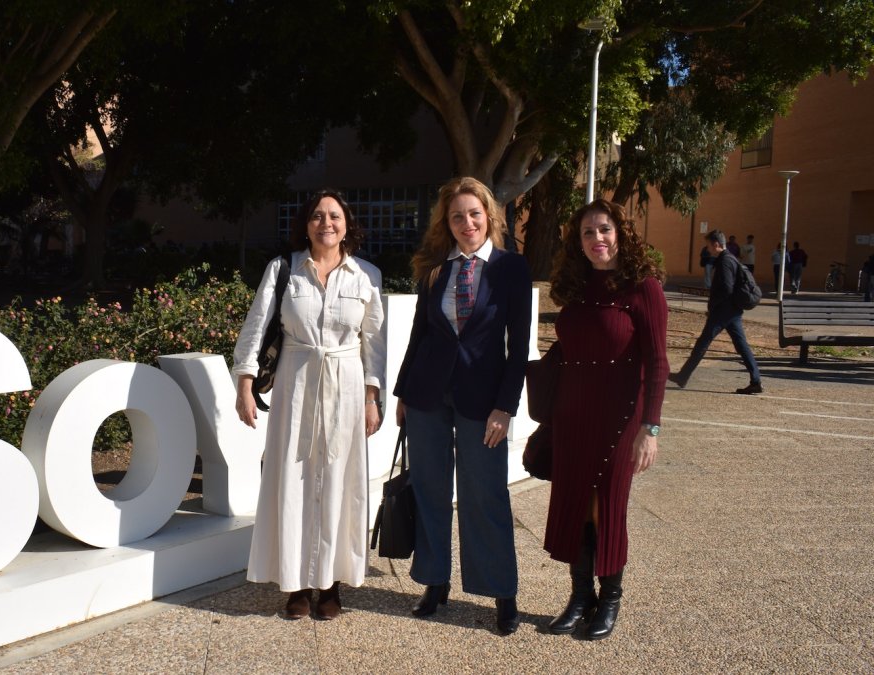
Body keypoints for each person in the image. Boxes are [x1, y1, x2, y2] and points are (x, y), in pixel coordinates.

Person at [233, 189, 386, 621]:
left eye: (334, 216)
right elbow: (256, 327)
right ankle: (297, 585)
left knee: (340, 480)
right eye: (317, 216)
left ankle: (331, 584)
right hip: (295, 384)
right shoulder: (285, 271)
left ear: (346, 223)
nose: (326, 224)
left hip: (347, 386)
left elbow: (374, 344)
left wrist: (373, 398)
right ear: (306, 225)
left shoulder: (366, 275)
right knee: (293, 478)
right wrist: (245, 385)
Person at [393, 177, 532, 635]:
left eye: (474, 214)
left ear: (489, 217)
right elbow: (420, 334)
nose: (466, 223)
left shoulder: (511, 268)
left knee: (485, 495)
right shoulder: (436, 267)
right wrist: (402, 396)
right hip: (427, 395)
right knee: (431, 489)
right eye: (457, 216)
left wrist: (505, 407)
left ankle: (502, 593)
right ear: (446, 223)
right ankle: (434, 582)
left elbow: (518, 347)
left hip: (483, 403)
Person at [544, 199, 668, 641]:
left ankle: (610, 597)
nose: (597, 239)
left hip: (620, 418)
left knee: (607, 506)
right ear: (578, 243)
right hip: (573, 414)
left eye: (604, 229)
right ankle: (580, 598)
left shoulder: (643, 288)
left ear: (620, 232)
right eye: (587, 233)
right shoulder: (576, 288)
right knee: (575, 504)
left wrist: (649, 428)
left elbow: (657, 363)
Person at [669, 230, 762, 394]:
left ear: (716, 245)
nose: (708, 249)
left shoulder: (725, 261)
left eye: (708, 246)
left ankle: (683, 376)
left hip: (723, 311)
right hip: (732, 311)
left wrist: (712, 307)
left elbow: (726, 288)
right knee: (741, 345)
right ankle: (756, 380)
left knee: (702, 343)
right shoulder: (731, 258)